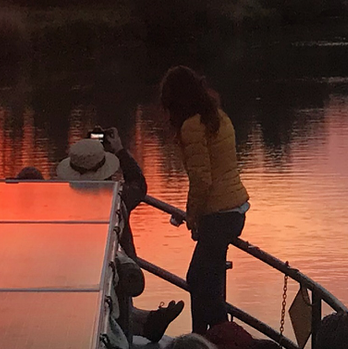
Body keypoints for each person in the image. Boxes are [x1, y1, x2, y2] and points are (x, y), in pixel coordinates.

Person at [59, 128, 184, 343]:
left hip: (75, 276)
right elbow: (138, 182)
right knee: (118, 310)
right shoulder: (119, 198)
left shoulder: (60, 203)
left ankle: (148, 323)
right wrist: (119, 150)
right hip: (118, 272)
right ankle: (145, 326)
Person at [159, 66, 250, 336]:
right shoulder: (218, 117)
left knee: (197, 279)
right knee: (207, 281)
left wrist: (192, 216)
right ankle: (208, 337)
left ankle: (211, 338)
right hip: (234, 211)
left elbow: (202, 181)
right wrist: (194, 214)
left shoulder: (192, 127)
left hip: (218, 215)